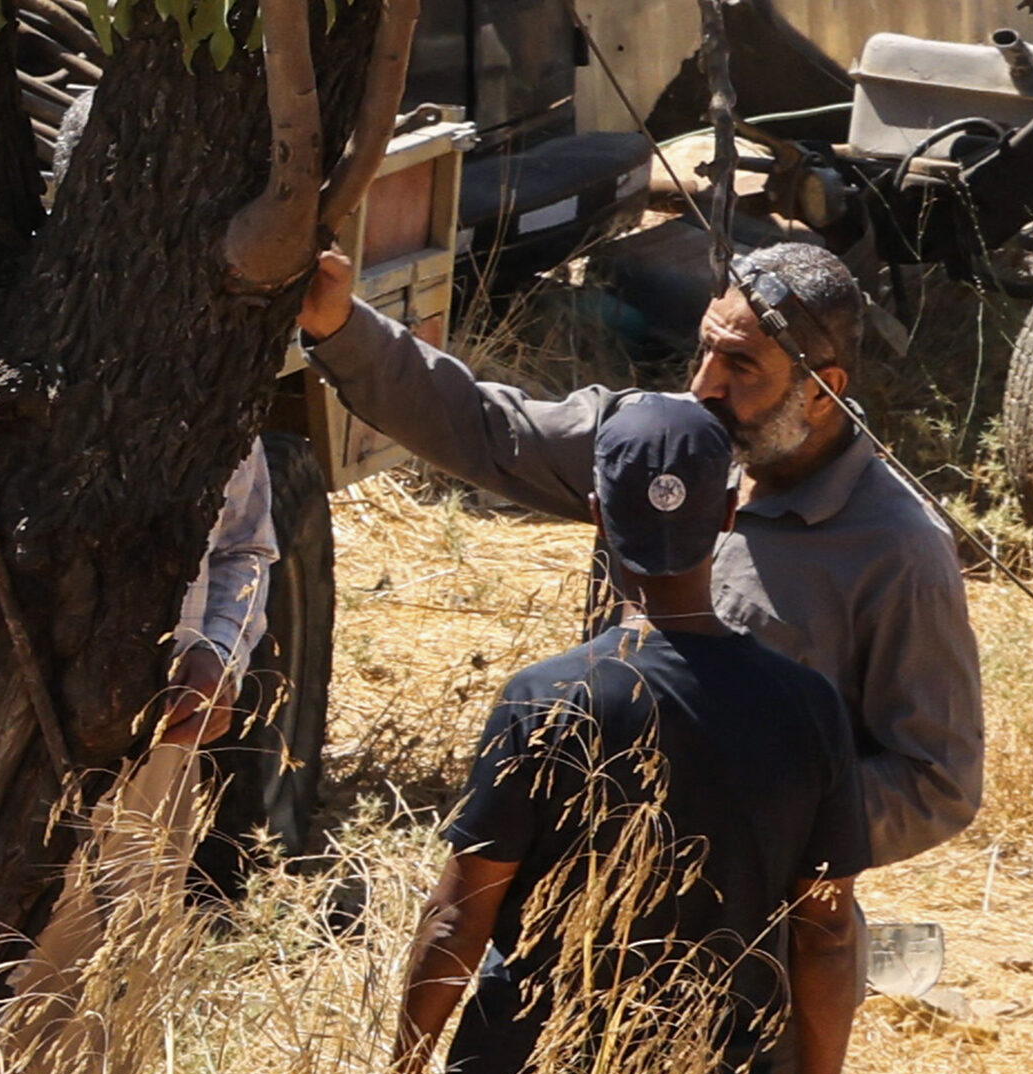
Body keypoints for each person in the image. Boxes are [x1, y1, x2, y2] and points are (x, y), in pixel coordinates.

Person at [303, 232, 975, 866]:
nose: (704, 386)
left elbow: (936, 782)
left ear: (824, 392)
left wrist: (755, 821)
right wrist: (341, 325)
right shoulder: (656, 446)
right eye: (705, 350)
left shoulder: (898, 550)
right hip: (586, 875)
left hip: (750, 915)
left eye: (741, 365)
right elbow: (483, 428)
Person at [393, 395, 869, 1074]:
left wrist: (403, 1071)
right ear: (727, 517)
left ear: (597, 516)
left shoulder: (547, 699)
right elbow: (828, 935)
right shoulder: (808, 707)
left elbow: (462, 912)